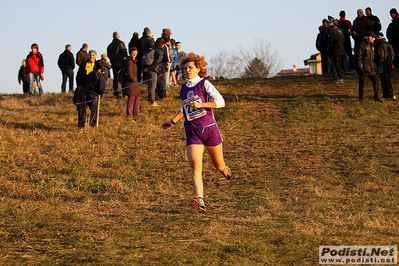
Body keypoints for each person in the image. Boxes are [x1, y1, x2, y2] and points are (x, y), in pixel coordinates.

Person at [161, 52, 232, 213]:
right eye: (185, 68)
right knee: (195, 166)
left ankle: (224, 169)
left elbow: (221, 103)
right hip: (192, 132)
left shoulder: (205, 84)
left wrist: (201, 105)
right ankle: (200, 200)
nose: (187, 70)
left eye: (190, 67)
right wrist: (173, 121)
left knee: (218, 165)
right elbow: (185, 107)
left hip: (210, 130)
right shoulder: (184, 88)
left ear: (198, 68)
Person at [74, 50, 97, 128]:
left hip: (93, 89)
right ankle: (81, 124)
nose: (91, 57)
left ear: (95, 56)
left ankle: (93, 124)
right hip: (83, 88)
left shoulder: (97, 65)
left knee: (93, 107)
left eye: (93, 55)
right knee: (82, 108)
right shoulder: (83, 65)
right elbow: (78, 76)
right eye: (90, 55)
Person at [357, 31, 380, 101]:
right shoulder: (362, 44)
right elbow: (359, 57)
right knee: (362, 83)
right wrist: (360, 67)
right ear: (369, 37)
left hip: (371, 67)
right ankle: (361, 98)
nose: (374, 39)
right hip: (364, 67)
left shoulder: (371, 45)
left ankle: (377, 97)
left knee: (376, 81)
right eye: (373, 38)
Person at [143, 37, 165, 106]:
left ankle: (150, 98)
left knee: (150, 85)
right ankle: (152, 101)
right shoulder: (160, 51)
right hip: (153, 70)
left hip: (149, 68)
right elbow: (157, 61)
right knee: (153, 85)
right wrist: (150, 68)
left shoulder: (153, 49)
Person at [84, 60, 106, 127]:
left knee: (91, 109)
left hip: (87, 93)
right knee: (95, 110)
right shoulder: (99, 75)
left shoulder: (90, 74)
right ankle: (93, 124)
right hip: (94, 94)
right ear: (102, 67)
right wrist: (101, 92)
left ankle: (89, 123)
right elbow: (101, 86)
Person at [375, 33, 396, 100]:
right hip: (389, 64)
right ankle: (391, 94)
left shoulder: (380, 45)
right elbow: (393, 55)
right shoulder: (389, 44)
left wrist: (377, 64)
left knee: (384, 81)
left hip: (383, 65)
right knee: (388, 80)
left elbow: (380, 56)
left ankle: (386, 95)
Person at [107, 31, 128, 98]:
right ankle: (124, 92)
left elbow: (108, 54)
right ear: (119, 36)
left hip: (113, 62)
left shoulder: (109, 46)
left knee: (115, 77)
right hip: (120, 61)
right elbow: (124, 52)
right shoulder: (121, 43)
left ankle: (115, 92)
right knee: (122, 76)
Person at [324, 19, 345, 83]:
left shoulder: (330, 31)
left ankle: (340, 78)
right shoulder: (339, 30)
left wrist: (329, 48)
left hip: (335, 49)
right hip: (341, 48)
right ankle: (339, 76)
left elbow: (330, 40)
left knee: (336, 64)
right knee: (339, 63)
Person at [122, 47, 140, 117]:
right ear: (130, 53)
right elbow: (130, 73)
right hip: (131, 82)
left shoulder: (133, 61)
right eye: (133, 53)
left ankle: (135, 114)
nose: (134, 54)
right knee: (132, 97)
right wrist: (133, 79)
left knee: (137, 97)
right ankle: (130, 114)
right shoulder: (129, 61)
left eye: (135, 53)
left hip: (134, 82)